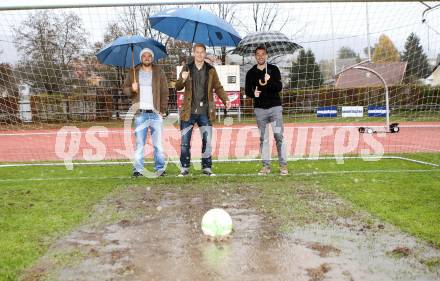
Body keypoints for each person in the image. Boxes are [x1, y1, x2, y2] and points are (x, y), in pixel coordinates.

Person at [175, 43, 231, 176]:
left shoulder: (211, 70)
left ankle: (206, 167)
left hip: (205, 112)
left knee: (207, 142)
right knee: (184, 143)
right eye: (197, 52)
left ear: (205, 54)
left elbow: (218, 87)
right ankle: (184, 168)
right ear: (193, 53)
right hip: (188, 111)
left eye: (202, 52)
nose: (200, 54)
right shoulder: (186, 68)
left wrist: (226, 99)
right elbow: (177, 87)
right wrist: (182, 79)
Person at [123, 48, 169, 177]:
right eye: (144, 55)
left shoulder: (159, 72)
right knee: (139, 144)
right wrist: (132, 89)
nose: (147, 57)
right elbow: (125, 90)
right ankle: (138, 169)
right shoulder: (133, 72)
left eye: (149, 55)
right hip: (140, 114)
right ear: (141, 58)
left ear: (152, 58)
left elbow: (165, 92)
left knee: (158, 144)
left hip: (155, 113)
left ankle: (160, 168)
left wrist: (162, 110)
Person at [245, 46, 288, 176]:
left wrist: (269, 82)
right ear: (255, 56)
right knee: (264, 139)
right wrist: (254, 93)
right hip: (260, 110)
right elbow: (247, 91)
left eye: (263, 54)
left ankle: (283, 165)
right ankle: (266, 166)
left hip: (275, 108)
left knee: (279, 136)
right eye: (258, 54)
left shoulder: (273, 70)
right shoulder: (251, 73)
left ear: (267, 55)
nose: (260, 56)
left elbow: (279, 87)